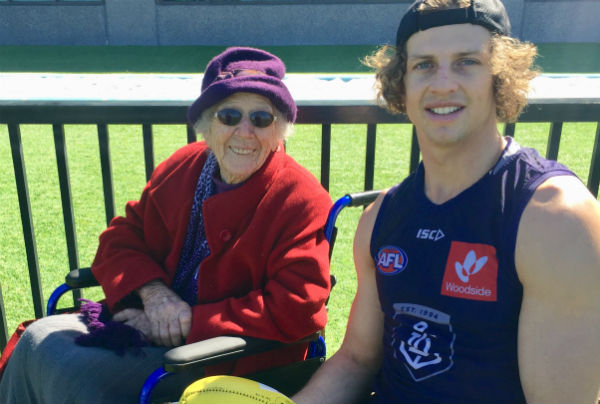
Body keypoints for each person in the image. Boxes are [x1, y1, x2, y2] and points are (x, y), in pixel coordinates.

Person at [293, 0, 600, 403]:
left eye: (466, 62)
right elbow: (354, 361)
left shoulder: (555, 220)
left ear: (500, 76)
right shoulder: (380, 217)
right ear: (402, 84)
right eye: (424, 65)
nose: (442, 84)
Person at [0, 47, 332, 403]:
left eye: (261, 119)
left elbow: (298, 307)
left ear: (280, 129)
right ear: (206, 123)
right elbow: (121, 238)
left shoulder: (301, 198)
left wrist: (186, 320)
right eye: (230, 115)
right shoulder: (184, 165)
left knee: (76, 376)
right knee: (38, 339)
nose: (245, 131)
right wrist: (155, 296)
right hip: (146, 325)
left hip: (223, 358)